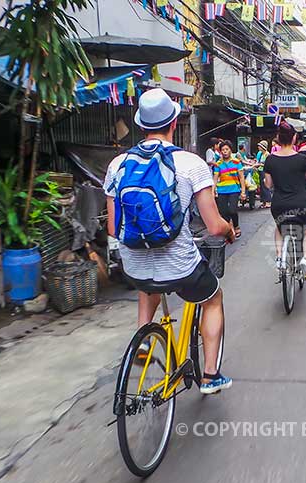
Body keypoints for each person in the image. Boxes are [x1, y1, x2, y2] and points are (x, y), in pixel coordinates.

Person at [105, 88, 235, 394]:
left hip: (133, 265)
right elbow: (214, 226)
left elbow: (113, 227)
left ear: (141, 125)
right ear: (174, 123)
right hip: (180, 265)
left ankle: (143, 337)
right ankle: (210, 375)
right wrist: (229, 230)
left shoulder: (117, 164)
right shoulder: (192, 163)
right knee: (213, 298)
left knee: (147, 282)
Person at [264, 121, 306, 279]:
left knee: (279, 229)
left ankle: (280, 258)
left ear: (278, 138)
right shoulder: (302, 159)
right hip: (301, 204)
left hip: (279, 204)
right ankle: (305, 260)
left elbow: (268, 184)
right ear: (294, 138)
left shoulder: (270, 160)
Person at [213, 140, 247, 239]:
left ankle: (236, 226)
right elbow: (215, 179)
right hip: (222, 190)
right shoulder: (218, 164)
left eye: (227, 149)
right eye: (223, 150)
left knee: (232, 210)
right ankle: (228, 230)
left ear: (230, 150)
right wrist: (213, 191)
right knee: (223, 212)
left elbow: (241, 178)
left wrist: (243, 192)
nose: (225, 151)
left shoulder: (236, 162)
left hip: (234, 190)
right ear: (220, 152)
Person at [256, 140, 272, 208]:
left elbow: (267, 164)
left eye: (260, 146)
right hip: (260, 170)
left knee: (265, 186)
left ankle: (268, 201)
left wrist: (259, 164)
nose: (258, 147)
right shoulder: (260, 154)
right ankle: (263, 201)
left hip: (264, 171)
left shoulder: (267, 154)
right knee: (261, 187)